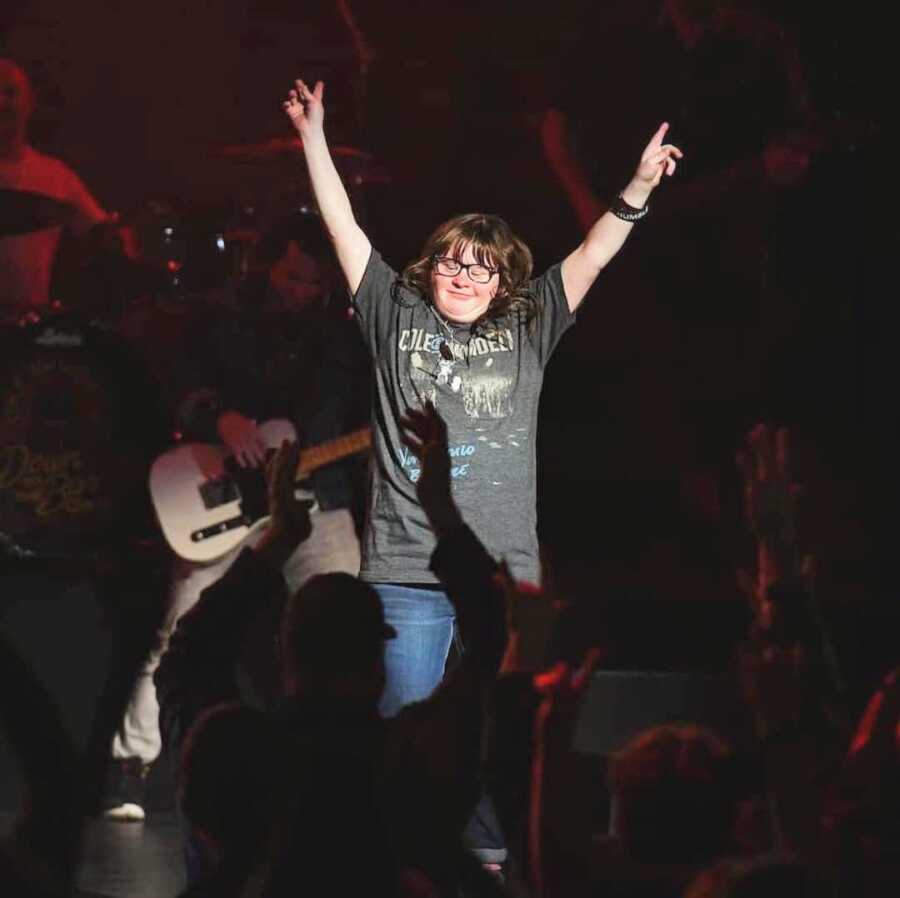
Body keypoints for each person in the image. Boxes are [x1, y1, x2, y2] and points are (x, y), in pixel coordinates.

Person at [282, 77, 682, 717]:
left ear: (502, 284)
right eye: (450, 262)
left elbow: (594, 254)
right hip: (405, 571)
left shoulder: (530, 323)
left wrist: (636, 189)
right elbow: (341, 227)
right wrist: (314, 136)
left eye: (479, 267)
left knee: (499, 743)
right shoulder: (394, 310)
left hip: (504, 576)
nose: (462, 276)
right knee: (405, 736)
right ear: (429, 266)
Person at [155, 409, 510, 895]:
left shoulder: (233, 756)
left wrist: (278, 538)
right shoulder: (412, 759)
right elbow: (493, 635)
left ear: (285, 653)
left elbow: (187, 656)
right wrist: (440, 509)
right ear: (379, 663)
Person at [103, 212, 371, 821]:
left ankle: (331, 778)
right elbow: (182, 388)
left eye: (312, 283)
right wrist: (220, 417)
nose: (301, 292)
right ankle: (132, 765)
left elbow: (360, 412)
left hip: (317, 496)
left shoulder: (342, 338)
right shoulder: (222, 322)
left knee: (338, 621)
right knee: (178, 621)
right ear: (267, 265)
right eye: (292, 277)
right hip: (227, 494)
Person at [0, 59, 114, 320]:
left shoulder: (56, 177)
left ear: (29, 104)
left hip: (29, 329)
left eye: (9, 93)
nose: (1, 103)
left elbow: (101, 234)